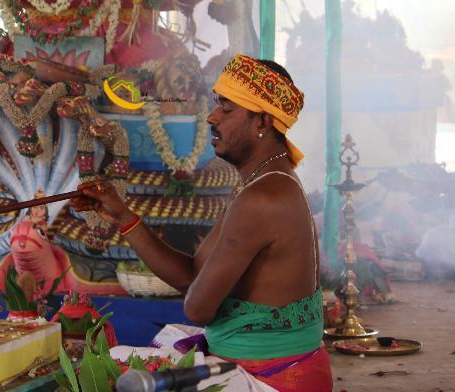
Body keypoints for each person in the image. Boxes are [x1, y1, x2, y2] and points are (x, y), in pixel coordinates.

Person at [76, 54, 331, 391]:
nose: (212, 117)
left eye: (226, 109)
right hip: (268, 367)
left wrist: (204, 285)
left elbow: (197, 308)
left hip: (274, 378)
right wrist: (124, 217)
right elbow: (191, 275)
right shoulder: (257, 182)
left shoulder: (262, 197)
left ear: (263, 122)